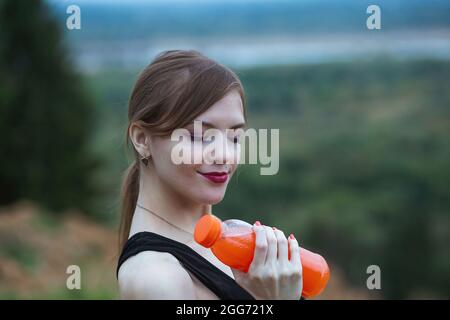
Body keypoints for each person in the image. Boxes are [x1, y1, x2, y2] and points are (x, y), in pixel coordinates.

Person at [116, 50, 302, 300]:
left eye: (234, 137)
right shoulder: (157, 280)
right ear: (142, 139)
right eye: (198, 136)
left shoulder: (230, 240)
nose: (224, 155)